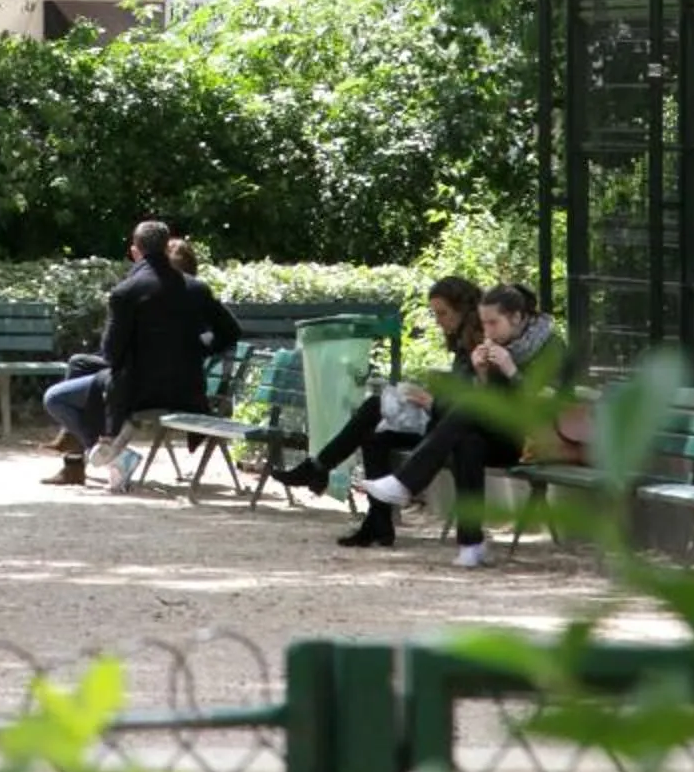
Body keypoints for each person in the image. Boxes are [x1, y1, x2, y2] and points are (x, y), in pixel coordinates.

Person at [355, 280, 559, 569]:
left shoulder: (551, 346)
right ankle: (471, 544)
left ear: (517, 317)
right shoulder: (502, 342)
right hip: (503, 434)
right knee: (468, 442)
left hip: (535, 440)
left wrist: (512, 370)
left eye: (492, 323)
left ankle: (407, 482)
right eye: (484, 323)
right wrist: (483, 373)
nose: (486, 332)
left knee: (471, 410)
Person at [269, 275, 483, 545]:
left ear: (463, 309)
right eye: (435, 313)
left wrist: (429, 399)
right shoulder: (464, 342)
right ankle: (376, 521)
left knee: (374, 407)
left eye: (443, 313)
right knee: (374, 436)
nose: (439, 320)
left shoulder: (477, 346)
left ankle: (319, 468)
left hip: (451, 432)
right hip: (442, 423)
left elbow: (468, 404)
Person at [42, 218, 229, 487]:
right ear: (166, 249)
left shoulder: (127, 292)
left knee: (55, 398)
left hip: (138, 389)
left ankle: (109, 455)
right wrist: (200, 347)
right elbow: (229, 331)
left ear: (134, 251)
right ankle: (76, 458)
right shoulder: (194, 288)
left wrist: (127, 357)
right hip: (185, 389)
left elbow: (111, 353)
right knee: (80, 365)